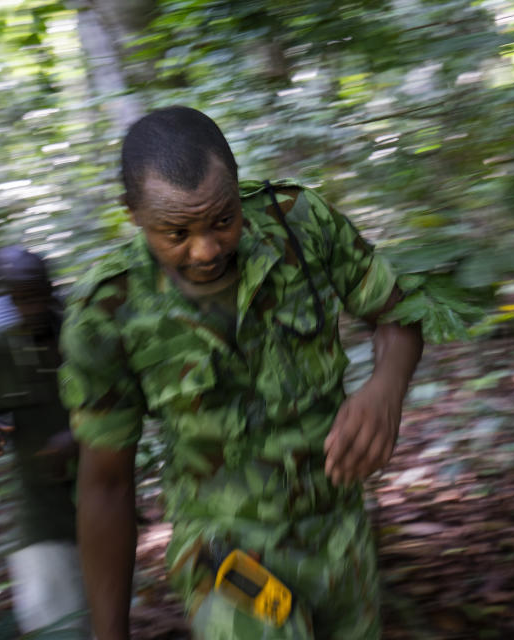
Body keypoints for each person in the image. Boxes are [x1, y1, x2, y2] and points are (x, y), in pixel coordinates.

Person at [58, 105, 423, 640]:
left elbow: (398, 314)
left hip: (339, 535)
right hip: (224, 549)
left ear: (236, 187)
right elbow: (106, 484)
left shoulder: (299, 224)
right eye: (175, 232)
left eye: (223, 220)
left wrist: (385, 388)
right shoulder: (107, 312)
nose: (206, 249)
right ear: (132, 214)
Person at [0, 246, 89, 636]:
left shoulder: (84, 333)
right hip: (39, 511)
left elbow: (125, 400)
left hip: (100, 497)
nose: (31, 308)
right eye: (21, 299)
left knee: (105, 619)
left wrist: (80, 434)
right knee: (55, 624)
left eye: (37, 295)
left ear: (51, 289)